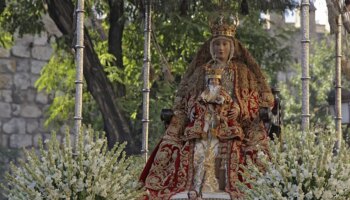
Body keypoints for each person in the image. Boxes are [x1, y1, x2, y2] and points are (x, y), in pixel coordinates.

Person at [140, 13, 274, 200]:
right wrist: (198, 108)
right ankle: (194, 186)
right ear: (211, 47)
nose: (221, 48)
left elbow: (256, 100)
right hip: (202, 123)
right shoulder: (200, 72)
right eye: (217, 44)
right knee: (193, 145)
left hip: (234, 124)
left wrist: (240, 109)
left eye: (225, 44)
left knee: (235, 147)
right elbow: (186, 100)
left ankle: (220, 185)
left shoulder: (244, 72)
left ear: (232, 47)